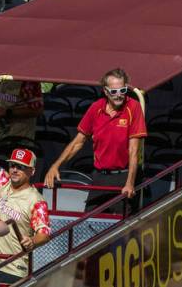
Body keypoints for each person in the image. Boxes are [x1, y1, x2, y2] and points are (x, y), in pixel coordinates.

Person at [44, 68, 147, 210]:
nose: (118, 95)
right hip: (100, 176)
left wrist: (129, 183)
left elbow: (133, 151)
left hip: (124, 175)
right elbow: (78, 142)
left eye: (122, 91)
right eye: (114, 91)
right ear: (105, 91)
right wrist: (56, 165)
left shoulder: (133, 107)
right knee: (90, 221)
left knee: (122, 227)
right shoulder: (96, 108)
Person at [0, 128, 51, 287]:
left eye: (21, 167)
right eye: (13, 165)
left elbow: (44, 233)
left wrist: (32, 241)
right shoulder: (2, 182)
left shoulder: (37, 201)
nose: (15, 170)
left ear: (32, 172)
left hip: (13, 270)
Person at [0, 76, 43, 146]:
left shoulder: (28, 81)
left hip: (19, 138)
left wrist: (7, 112)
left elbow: (37, 110)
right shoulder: (1, 78)